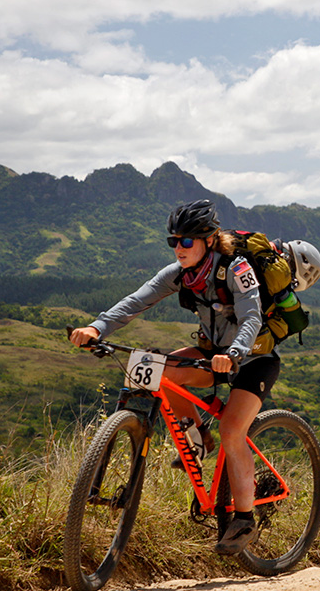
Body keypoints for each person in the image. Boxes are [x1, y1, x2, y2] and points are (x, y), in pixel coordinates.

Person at [69, 199, 280, 555]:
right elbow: (135, 302)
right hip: (211, 355)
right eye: (174, 241)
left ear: (210, 240)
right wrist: (96, 327)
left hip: (252, 359)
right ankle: (197, 437)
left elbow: (251, 317)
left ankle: (244, 518)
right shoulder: (180, 275)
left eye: (186, 241)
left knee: (233, 430)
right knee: (160, 373)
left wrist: (234, 354)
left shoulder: (237, 269)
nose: (178, 248)